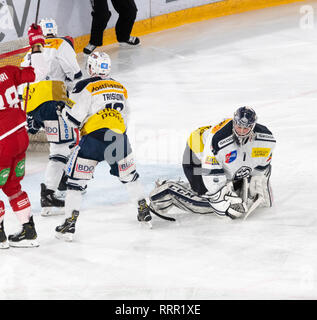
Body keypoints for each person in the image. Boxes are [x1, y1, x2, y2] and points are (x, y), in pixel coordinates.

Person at [55, 51, 151, 241]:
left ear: (91, 68)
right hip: (119, 138)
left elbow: (74, 118)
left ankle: (69, 224)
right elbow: (126, 117)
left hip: (94, 139)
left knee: (75, 183)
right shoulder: (120, 87)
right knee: (130, 176)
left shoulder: (85, 85)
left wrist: (62, 111)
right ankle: (143, 208)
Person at [149, 107, 276, 220]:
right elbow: (212, 176)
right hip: (196, 155)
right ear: (234, 122)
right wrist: (222, 203)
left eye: (246, 127)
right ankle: (167, 189)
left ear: (253, 126)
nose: (242, 131)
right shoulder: (218, 140)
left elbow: (261, 164)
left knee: (235, 191)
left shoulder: (266, 138)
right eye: (239, 127)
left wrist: (256, 179)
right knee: (205, 202)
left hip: (218, 151)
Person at [20, 18, 83, 216]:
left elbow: (24, 78)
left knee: (63, 143)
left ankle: (59, 178)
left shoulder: (31, 50)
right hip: (52, 101)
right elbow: (75, 74)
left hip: (31, 104)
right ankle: (49, 191)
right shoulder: (61, 44)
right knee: (61, 147)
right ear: (55, 31)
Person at [0, 24, 49, 248]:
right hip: (20, 137)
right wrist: (36, 44)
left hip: (1, 141)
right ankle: (28, 231)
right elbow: (39, 73)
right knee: (12, 187)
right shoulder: (8, 71)